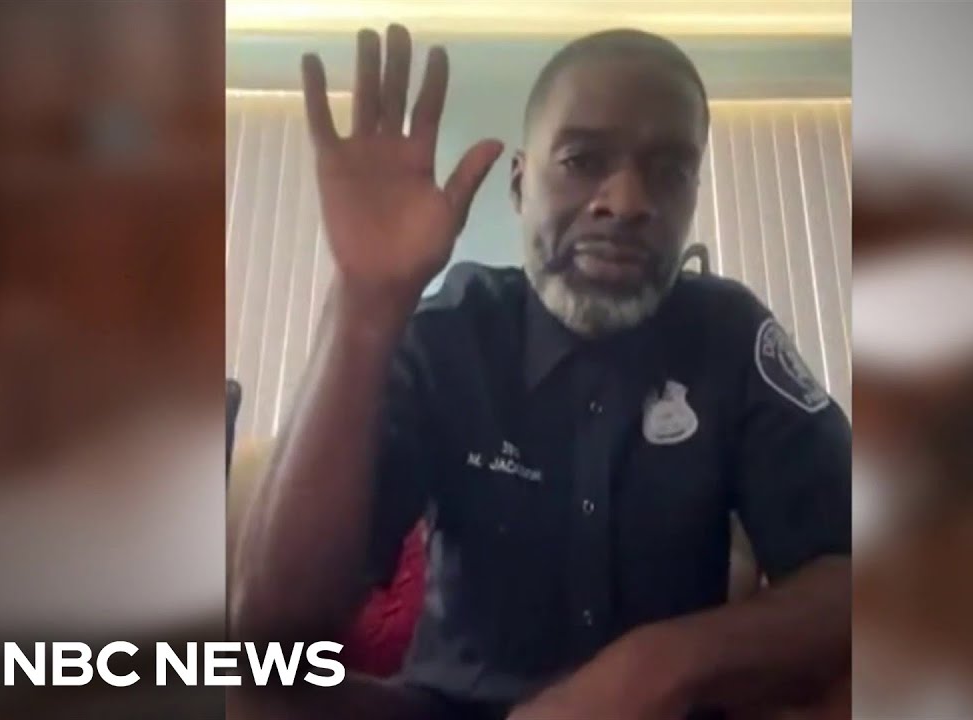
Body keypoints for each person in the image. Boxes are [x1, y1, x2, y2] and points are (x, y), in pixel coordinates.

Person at [230, 23, 850, 720]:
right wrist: (365, 304)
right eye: (583, 159)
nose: (627, 201)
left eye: (670, 170)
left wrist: (661, 665)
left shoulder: (730, 336)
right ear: (521, 185)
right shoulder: (451, 334)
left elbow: (855, 573)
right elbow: (274, 641)